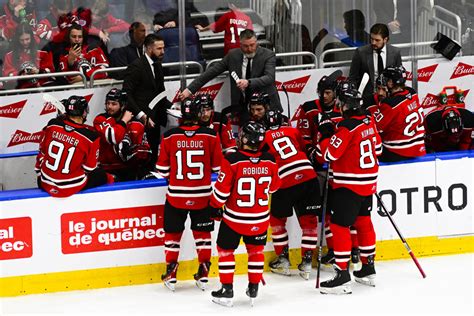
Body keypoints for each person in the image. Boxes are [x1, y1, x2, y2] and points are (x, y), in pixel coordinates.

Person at [317, 86, 382, 295]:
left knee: (339, 227)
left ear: (345, 106)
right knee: (364, 222)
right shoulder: (369, 122)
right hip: (368, 183)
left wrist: (326, 134)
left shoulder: (346, 127)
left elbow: (328, 155)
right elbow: (378, 149)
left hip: (348, 185)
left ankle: (342, 274)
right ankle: (368, 268)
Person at [209, 121, 281, 307]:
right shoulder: (270, 159)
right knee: (256, 252)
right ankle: (254, 287)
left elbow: (221, 193)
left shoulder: (232, 160)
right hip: (260, 219)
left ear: (246, 139)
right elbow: (274, 187)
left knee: (225, 251)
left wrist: (213, 206)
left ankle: (226, 290)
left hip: (234, 219)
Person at [156, 99, 223, 292]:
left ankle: (171, 270)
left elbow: (162, 169)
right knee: (203, 235)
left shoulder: (169, 136)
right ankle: (203, 270)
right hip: (202, 196)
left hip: (176, 196)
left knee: (172, 235)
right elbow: (217, 168)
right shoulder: (211, 135)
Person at [262, 110, 321, 280]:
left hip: (285, 178)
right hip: (308, 175)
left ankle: (283, 259)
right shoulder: (292, 130)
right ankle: (307, 261)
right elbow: (302, 149)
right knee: (309, 221)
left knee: (277, 220)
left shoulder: (265, 136)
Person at [179, 29, 282, 121]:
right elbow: (210, 73)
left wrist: (248, 82)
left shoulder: (268, 54)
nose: (250, 49)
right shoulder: (232, 55)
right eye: (246, 46)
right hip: (244, 107)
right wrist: (190, 90)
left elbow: (269, 77)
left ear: (256, 42)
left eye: (253, 45)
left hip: (268, 106)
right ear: (240, 44)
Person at [35, 95, 114, 198]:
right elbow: (89, 168)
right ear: (84, 112)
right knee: (103, 175)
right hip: (69, 187)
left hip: (45, 182)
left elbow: (43, 152)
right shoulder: (91, 137)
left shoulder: (52, 125)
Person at [122, 33, 173, 168]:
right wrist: (141, 115)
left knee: (154, 152)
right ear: (149, 49)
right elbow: (127, 94)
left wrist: (173, 107)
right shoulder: (136, 66)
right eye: (159, 49)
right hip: (140, 121)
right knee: (141, 157)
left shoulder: (158, 65)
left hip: (155, 118)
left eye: (163, 48)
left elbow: (160, 94)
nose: (163, 52)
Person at [93, 88, 151, 181]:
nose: (109, 107)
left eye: (114, 104)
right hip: (107, 169)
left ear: (123, 105)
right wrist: (124, 121)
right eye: (108, 103)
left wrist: (138, 153)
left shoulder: (136, 124)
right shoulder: (100, 120)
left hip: (129, 169)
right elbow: (113, 138)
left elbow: (145, 150)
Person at [373, 66, 426, 162]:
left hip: (398, 152)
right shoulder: (412, 93)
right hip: (418, 148)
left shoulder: (390, 104)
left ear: (390, 83)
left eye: (386, 80)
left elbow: (374, 127)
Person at [348, 23, 402, 97]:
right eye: (372, 39)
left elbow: (399, 77)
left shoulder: (395, 53)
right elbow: (352, 78)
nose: (373, 42)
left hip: (389, 97)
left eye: (377, 40)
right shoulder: (360, 52)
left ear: (385, 39)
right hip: (367, 97)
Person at [290, 74, 342, 148]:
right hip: (316, 152)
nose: (324, 96)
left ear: (335, 93)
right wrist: (311, 152)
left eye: (327, 93)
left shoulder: (341, 109)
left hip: (336, 151)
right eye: (321, 92)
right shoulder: (308, 108)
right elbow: (304, 136)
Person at [2, 23, 55, 89]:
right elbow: (8, 76)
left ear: (32, 37)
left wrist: (38, 71)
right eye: (22, 40)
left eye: (27, 39)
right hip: (19, 90)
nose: (25, 42)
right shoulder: (10, 55)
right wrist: (22, 74)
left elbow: (50, 71)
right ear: (17, 40)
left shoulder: (43, 50)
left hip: (42, 88)